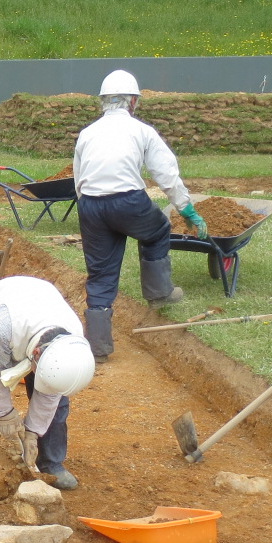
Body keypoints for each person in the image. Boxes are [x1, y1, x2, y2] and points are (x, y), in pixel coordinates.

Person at [72, 69, 207, 362]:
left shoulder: (87, 133)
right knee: (158, 230)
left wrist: (95, 215)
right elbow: (167, 174)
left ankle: (98, 348)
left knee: (101, 274)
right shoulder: (142, 131)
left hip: (91, 205)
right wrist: (187, 210)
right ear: (133, 101)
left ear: (104, 101)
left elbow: (78, 178)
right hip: (128, 200)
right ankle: (159, 293)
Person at [0, 275, 95, 489]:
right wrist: (5, 416)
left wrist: (33, 431)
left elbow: (51, 393)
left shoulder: (71, 343)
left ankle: (51, 463)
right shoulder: (2, 330)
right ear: (35, 353)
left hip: (36, 317)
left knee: (58, 401)